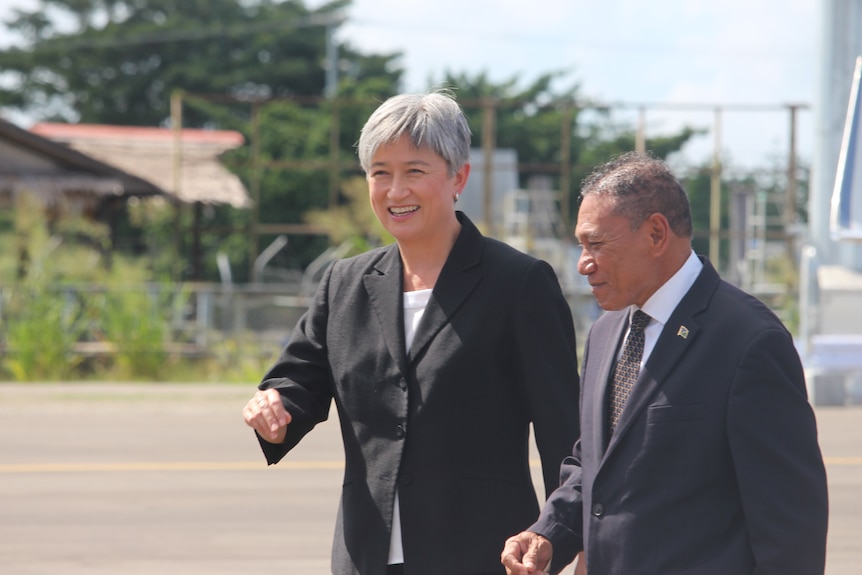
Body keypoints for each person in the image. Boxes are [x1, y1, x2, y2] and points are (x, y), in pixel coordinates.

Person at [243, 90, 580, 575]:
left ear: (458, 177)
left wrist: (566, 538)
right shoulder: (344, 283)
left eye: (414, 171)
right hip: (367, 556)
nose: (395, 190)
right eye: (380, 172)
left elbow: (564, 435)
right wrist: (275, 405)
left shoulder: (519, 284)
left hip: (485, 556)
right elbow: (299, 381)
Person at [501, 152, 829, 575]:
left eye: (596, 244)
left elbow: (790, 527)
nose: (583, 263)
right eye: (581, 246)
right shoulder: (606, 332)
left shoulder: (748, 341)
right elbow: (595, 464)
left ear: (656, 233)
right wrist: (549, 533)